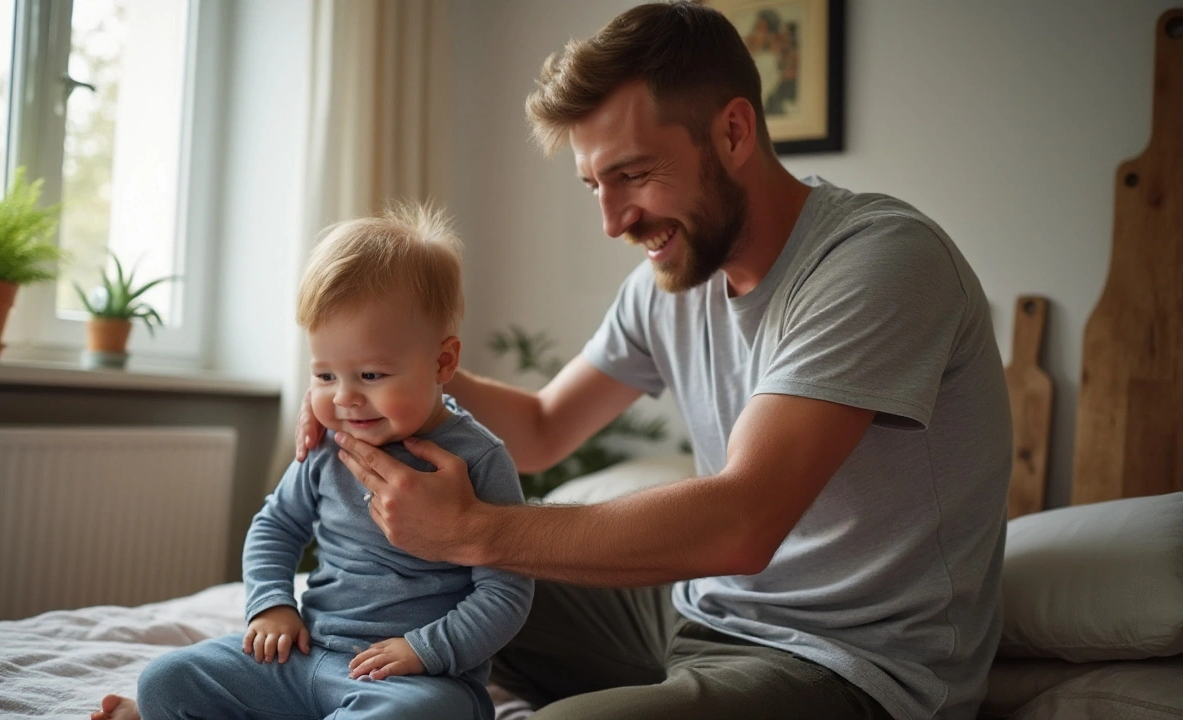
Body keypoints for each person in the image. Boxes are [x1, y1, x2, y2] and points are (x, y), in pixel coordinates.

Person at [298, 2, 1011, 719]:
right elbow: (545, 427)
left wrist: (473, 529)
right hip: (695, 617)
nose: (613, 220)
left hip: (852, 666)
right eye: (594, 185)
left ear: (734, 131)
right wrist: (384, 382)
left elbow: (744, 521)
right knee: (414, 591)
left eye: (634, 175)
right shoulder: (671, 282)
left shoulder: (878, 261)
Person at [93, 204, 533, 720]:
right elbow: (275, 526)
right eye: (324, 375)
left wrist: (425, 650)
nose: (344, 398)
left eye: (370, 375)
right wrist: (273, 605)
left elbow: (506, 592)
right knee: (165, 680)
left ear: (443, 362)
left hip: (412, 681)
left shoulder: (479, 459)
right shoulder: (328, 444)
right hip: (306, 659)